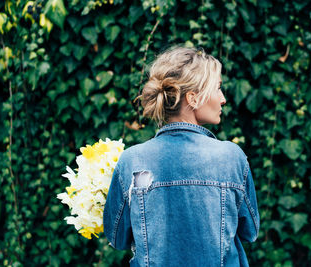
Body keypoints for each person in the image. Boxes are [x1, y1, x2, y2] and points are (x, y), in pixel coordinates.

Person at [103, 46, 259, 267]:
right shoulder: (232, 157)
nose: (223, 99)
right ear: (193, 98)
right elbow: (250, 231)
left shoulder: (131, 161)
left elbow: (117, 238)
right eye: (217, 89)